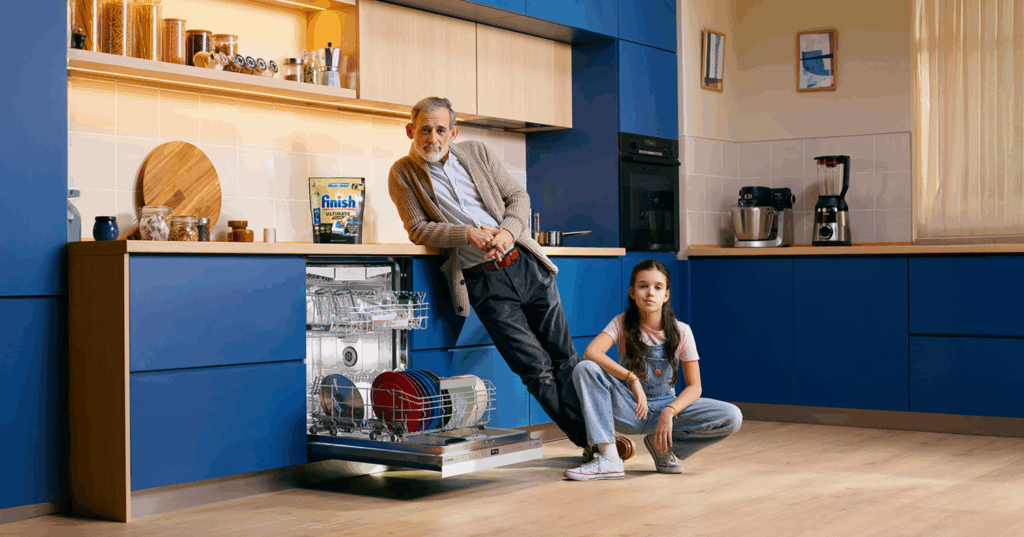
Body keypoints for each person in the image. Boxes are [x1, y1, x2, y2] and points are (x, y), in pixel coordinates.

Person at [389, 96, 601, 452]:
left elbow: (518, 197)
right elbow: (418, 229)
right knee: (534, 368)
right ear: (411, 131)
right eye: (424, 129)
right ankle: (594, 442)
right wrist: (467, 234)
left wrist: (507, 232)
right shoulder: (402, 173)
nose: (432, 138)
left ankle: (599, 438)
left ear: (453, 132)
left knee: (565, 357)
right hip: (484, 282)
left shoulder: (478, 153)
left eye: (440, 129)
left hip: (526, 266)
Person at [564, 259, 743, 481]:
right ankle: (609, 458)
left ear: (666, 295)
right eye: (643, 286)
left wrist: (670, 411)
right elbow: (591, 352)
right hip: (630, 408)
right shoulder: (621, 323)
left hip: (665, 407)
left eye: (658, 287)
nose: (650, 293)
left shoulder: (682, 331)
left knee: (732, 416)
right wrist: (631, 378)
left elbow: (695, 387)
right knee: (586, 368)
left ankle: (663, 446)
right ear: (632, 292)